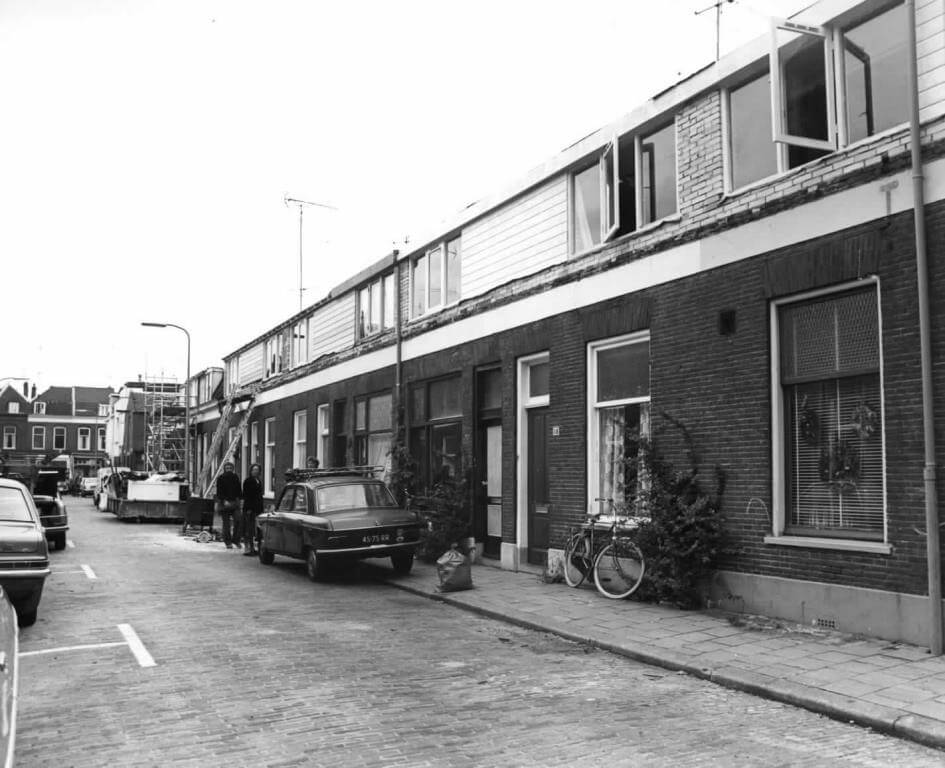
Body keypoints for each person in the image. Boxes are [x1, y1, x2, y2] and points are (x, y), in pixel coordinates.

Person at [215, 461, 242, 549]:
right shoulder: (221, 478)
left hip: (234, 503)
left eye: (230, 468)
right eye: (227, 468)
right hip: (225, 503)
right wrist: (223, 500)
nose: (229, 470)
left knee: (238, 521)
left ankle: (236, 540)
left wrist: (240, 499)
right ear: (224, 469)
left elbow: (239, 489)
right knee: (226, 524)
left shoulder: (235, 477)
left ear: (232, 469)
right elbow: (219, 491)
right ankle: (228, 542)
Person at [241, 463, 264, 556]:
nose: (256, 471)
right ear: (251, 471)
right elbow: (247, 495)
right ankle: (249, 548)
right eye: (254, 470)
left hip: (258, 508)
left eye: (257, 470)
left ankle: (256, 548)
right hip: (250, 508)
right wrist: (249, 508)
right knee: (249, 528)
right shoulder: (248, 481)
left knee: (257, 528)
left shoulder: (258, 480)